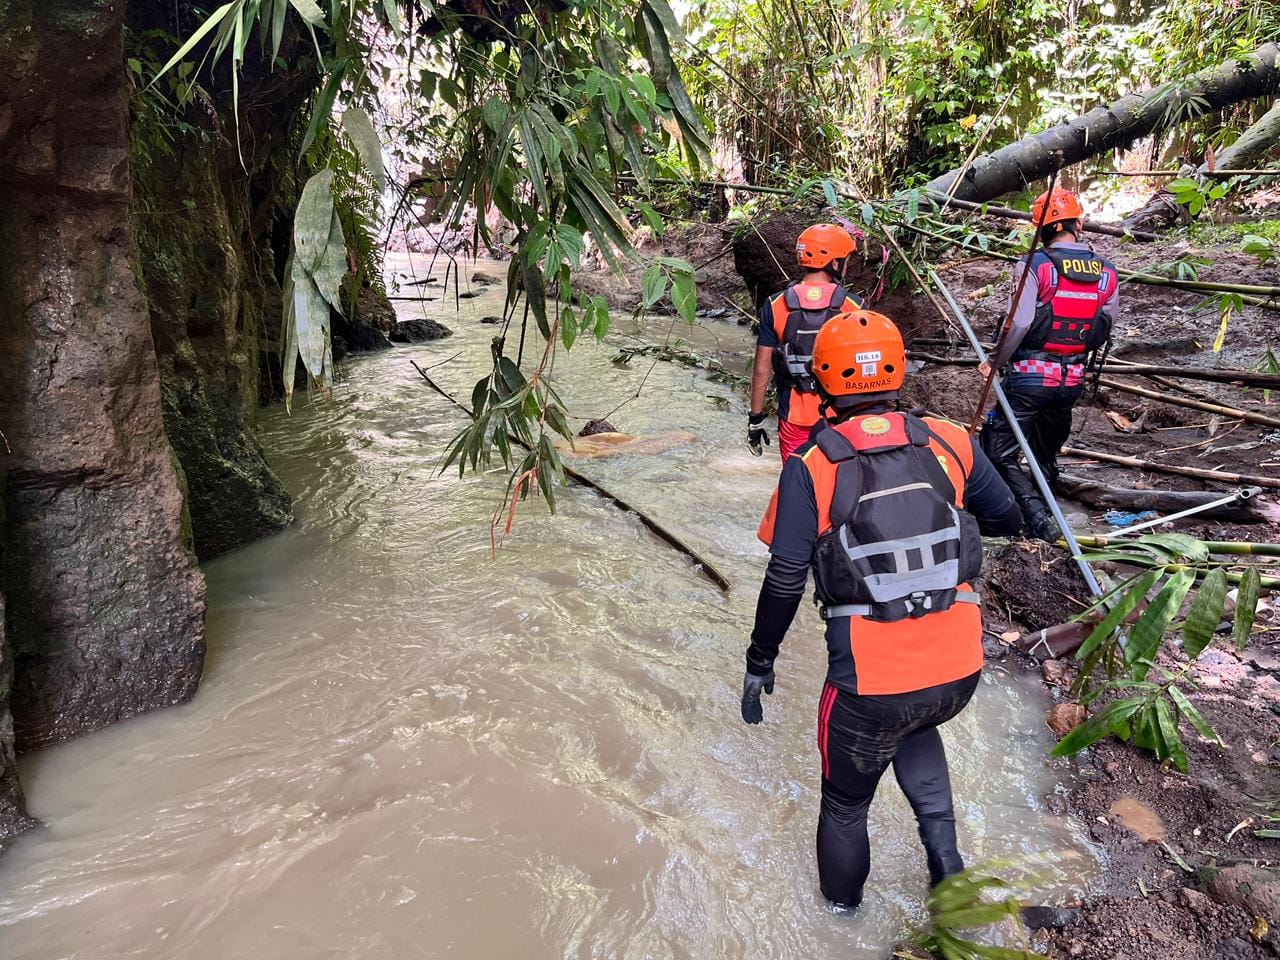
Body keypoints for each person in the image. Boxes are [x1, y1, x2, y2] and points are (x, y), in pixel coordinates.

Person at [740, 309, 1023, 910]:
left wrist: (759, 660)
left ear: (819, 381)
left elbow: (787, 575)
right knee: (915, 722)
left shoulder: (811, 466)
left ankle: (841, 921)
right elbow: (1007, 519)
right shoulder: (950, 440)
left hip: (869, 685)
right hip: (957, 671)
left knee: (846, 803)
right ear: (899, 371)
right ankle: (948, 871)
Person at [978, 188, 1119, 542]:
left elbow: (1020, 322)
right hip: (1071, 382)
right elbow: (1106, 322)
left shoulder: (1036, 265)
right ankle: (1050, 508)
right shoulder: (1107, 272)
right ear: (1077, 223)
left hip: (1028, 379)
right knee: (1044, 451)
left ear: (1041, 227)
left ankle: (1039, 521)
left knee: (997, 452)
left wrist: (995, 361)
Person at [748, 224, 864, 461]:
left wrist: (755, 419)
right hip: (841, 414)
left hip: (794, 416)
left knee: (798, 483)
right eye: (845, 259)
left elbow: (761, 370)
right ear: (834, 263)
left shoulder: (774, 305)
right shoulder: (854, 306)